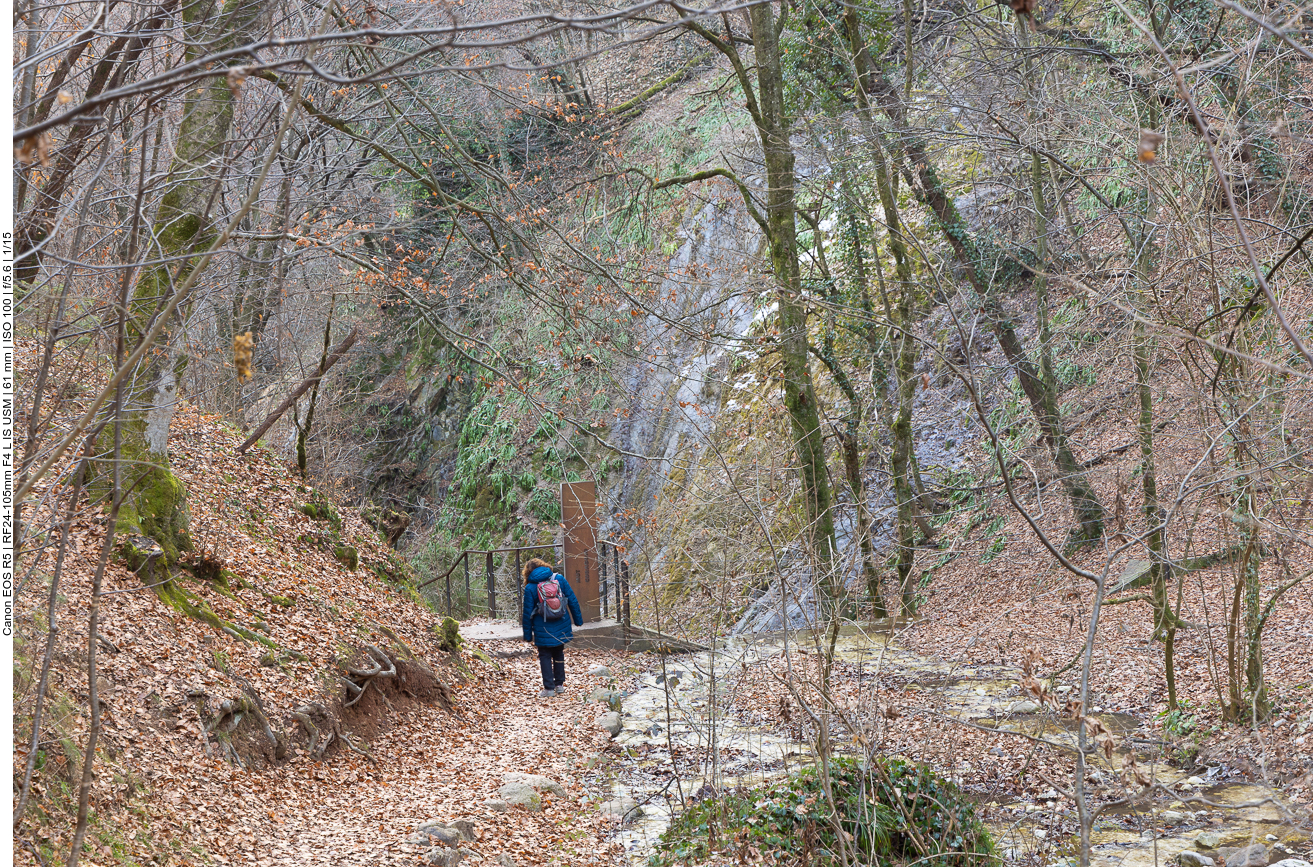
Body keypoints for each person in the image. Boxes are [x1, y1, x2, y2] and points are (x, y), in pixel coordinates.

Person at [522, 557, 584, 698]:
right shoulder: (559, 579)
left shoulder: (530, 587)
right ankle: (559, 685)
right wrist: (578, 620)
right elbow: (572, 599)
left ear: (528, 573)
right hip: (561, 622)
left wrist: (527, 634)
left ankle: (549, 688)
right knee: (558, 652)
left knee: (544, 655)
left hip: (541, 627)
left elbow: (527, 613)